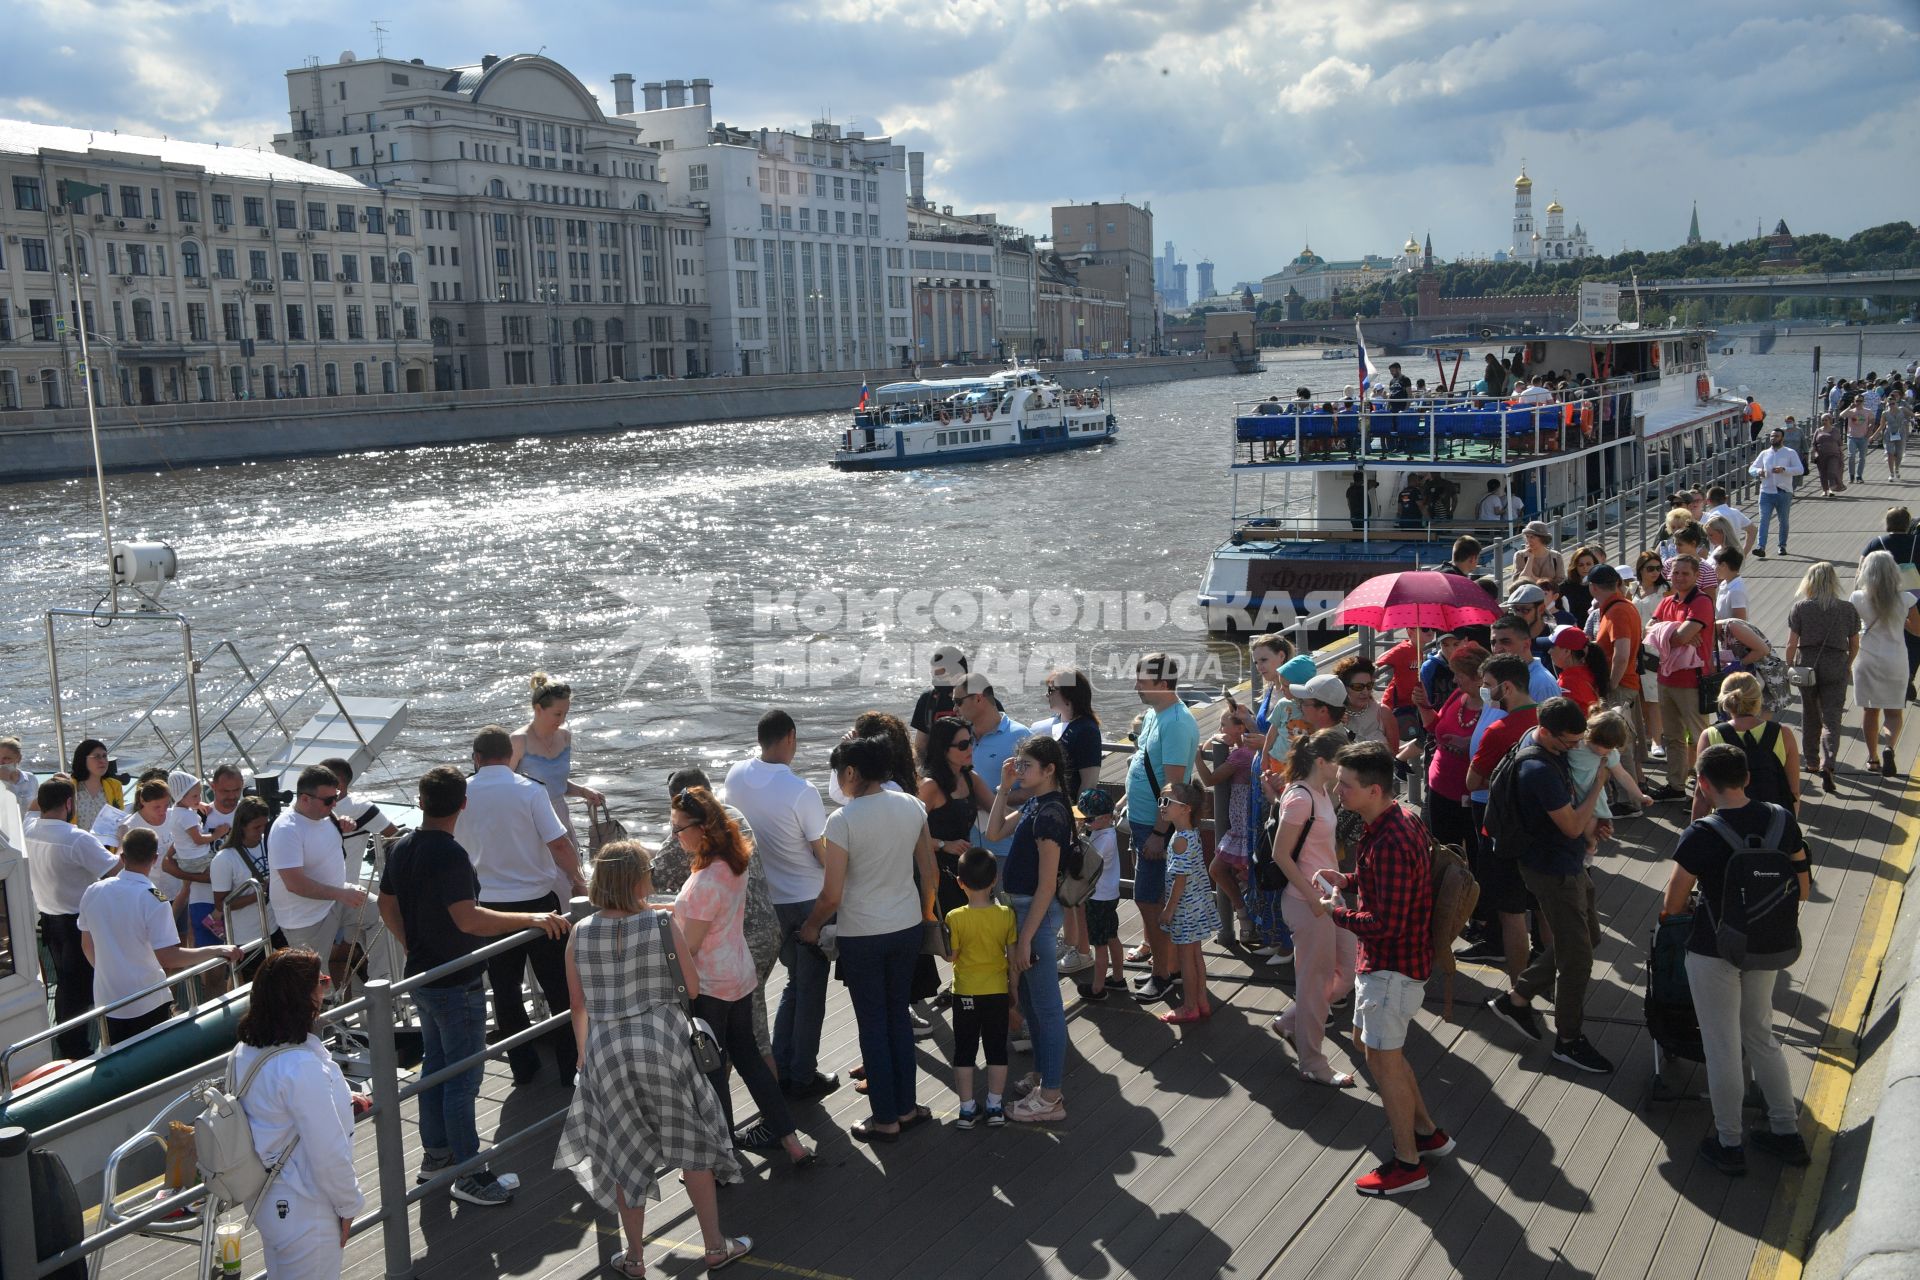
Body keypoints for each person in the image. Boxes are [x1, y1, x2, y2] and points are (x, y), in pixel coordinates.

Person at [557, 840, 752, 1277]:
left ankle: (635, 1258)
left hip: (607, 1049)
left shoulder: (580, 932)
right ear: (638, 879)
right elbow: (692, 987)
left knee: (625, 1153)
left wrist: (582, 1056)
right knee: (692, 1146)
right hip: (661, 1042)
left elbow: (577, 1003)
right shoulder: (663, 924)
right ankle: (715, 1246)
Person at [379, 766, 572, 1205]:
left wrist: (410, 943)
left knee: (436, 1070)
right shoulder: (451, 854)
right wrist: (533, 918)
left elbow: (385, 902)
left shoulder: (403, 846)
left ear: (421, 800)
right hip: (456, 980)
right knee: (462, 1080)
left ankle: (437, 1157)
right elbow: (469, 918)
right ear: (462, 805)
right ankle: (470, 1173)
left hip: (423, 976)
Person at [1664, 745, 1813, 1177]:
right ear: (1746, 779)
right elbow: (1802, 890)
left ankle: (1730, 1143)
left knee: (1723, 1046)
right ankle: (1786, 1132)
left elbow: (1674, 902)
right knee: (1760, 1035)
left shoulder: (1701, 833)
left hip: (1714, 950)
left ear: (1704, 785)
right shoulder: (1782, 821)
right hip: (1767, 946)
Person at [798, 735, 938, 1143]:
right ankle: (908, 1107)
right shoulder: (912, 806)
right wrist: (925, 915)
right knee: (898, 1017)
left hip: (863, 935)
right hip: (907, 928)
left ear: (852, 773)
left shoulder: (841, 821)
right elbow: (929, 874)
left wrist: (810, 926)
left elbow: (832, 895)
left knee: (873, 1024)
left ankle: (885, 1118)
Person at [1324, 742, 1447, 1196]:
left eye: (1346, 785)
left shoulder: (1390, 838)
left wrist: (1333, 913)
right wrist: (1349, 882)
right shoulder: (1396, 819)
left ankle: (1408, 1163)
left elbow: (1385, 924)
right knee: (1375, 1050)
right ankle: (1428, 1133)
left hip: (1391, 969)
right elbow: (1385, 880)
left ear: (1374, 790)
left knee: (1384, 1061)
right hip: (1386, 965)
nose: (1338, 791)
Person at [669, 786, 815, 1167]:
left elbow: (692, 944)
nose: (676, 836)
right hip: (739, 976)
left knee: (712, 1068)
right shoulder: (732, 863)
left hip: (711, 986)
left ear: (701, 829)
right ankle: (791, 1140)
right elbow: (705, 913)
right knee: (750, 1057)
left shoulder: (704, 881)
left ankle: (723, 1153)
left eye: (679, 828)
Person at [1485, 697, 1612, 1073]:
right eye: (1568, 744)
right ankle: (1568, 1040)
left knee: (1588, 938)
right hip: (1552, 870)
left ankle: (1518, 997)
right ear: (1546, 731)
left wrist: (1591, 821)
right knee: (1577, 958)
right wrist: (1598, 788)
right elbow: (1571, 825)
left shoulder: (1534, 738)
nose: (1574, 750)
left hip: (1567, 863)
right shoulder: (1538, 769)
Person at [456, 726, 584, 1084]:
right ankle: (569, 1066)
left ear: (477, 758)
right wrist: (577, 879)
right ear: (507, 756)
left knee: (505, 989)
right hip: (541, 904)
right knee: (558, 987)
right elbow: (558, 844)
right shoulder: (530, 790)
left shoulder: (461, 792)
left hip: (490, 907)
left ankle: (523, 1065)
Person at [231, 949, 367, 1280]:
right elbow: (328, 1153)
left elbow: (271, 1109)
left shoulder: (244, 1052)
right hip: (307, 1209)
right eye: (321, 982)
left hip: (267, 1202)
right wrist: (349, 1205)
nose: (325, 989)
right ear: (304, 998)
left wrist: (338, 1095)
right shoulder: (302, 1066)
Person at [724, 709, 838, 1100]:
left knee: (794, 982)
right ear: (790, 737)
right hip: (808, 901)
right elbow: (820, 851)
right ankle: (802, 1074)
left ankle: (784, 1064)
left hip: (764, 901)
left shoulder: (735, 777)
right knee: (812, 991)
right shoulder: (801, 791)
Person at [982, 735, 1075, 1120]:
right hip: (1021, 909)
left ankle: (1051, 1096)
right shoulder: (1038, 802)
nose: (1019, 770)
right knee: (1033, 1004)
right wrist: (1004, 788)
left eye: (1025, 765)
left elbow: (1047, 884)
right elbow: (992, 833)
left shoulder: (1051, 815)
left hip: (1033, 914)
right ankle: (1041, 1075)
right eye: (1017, 764)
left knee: (1048, 1007)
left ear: (1048, 769)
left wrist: (1024, 940)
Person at [78, 828, 241, 1044]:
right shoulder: (154, 898)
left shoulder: (93, 891)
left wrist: (111, 972)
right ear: (155, 859)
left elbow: (87, 945)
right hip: (148, 1001)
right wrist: (218, 950)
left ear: (123, 857)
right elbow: (169, 957)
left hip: (107, 999)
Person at [1268, 729, 1359, 1086]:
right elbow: (1280, 854)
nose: (1344, 768)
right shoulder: (1302, 798)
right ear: (1321, 762)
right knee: (1314, 981)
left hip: (1325, 897)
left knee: (1348, 970)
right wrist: (1313, 899)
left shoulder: (1321, 790)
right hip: (1307, 902)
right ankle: (1313, 1062)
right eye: (1341, 761)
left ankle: (1291, 1021)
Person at [25, 778, 119, 1059]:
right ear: (69, 803)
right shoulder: (76, 837)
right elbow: (113, 870)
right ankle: (76, 1047)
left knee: (67, 984)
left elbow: (31, 808)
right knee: (80, 985)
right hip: (78, 923)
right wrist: (125, 837)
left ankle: (68, 1041)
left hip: (49, 918)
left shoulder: (28, 828)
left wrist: (56, 785)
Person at [1124, 654, 1199, 1000]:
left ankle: (1163, 973)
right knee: (1150, 898)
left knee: (1149, 899)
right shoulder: (1157, 715)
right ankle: (1171, 967)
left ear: (1162, 683)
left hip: (1157, 829)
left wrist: (1157, 832)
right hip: (1142, 821)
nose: (1136, 685)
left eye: (1142, 678)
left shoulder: (1177, 723)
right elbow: (1146, 762)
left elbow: (1173, 786)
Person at [1464, 654, 1540, 975]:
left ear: (1506, 687)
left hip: (1503, 829)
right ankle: (1545, 974)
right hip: (1543, 828)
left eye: (1488, 686)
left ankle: (1517, 989)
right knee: (1541, 908)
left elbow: (1472, 782)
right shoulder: (1546, 720)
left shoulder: (1497, 729)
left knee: (1512, 916)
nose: (1485, 691)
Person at [267, 765, 366, 989]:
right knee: (315, 983)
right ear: (304, 799)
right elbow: (294, 884)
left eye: (336, 798)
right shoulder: (286, 829)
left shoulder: (326, 814)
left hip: (336, 899)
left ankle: (383, 985)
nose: (334, 804)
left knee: (385, 913)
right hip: (304, 919)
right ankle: (327, 1023)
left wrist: (344, 822)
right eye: (328, 800)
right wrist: (341, 894)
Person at [945, 847, 1018, 1128]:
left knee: (964, 1049)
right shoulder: (1006, 915)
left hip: (964, 991)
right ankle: (995, 1105)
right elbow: (1012, 959)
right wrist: (1015, 991)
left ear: (960, 882)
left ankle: (965, 1109)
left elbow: (951, 956)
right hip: (997, 991)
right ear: (995, 880)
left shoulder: (955, 917)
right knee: (996, 1048)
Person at [1786, 561, 1861, 796]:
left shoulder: (1800, 607)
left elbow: (1791, 643)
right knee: (1832, 718)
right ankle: (1829, 763)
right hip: (1836, 664)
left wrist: (1790, 666)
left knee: (1810, 714)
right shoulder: (1847, 608)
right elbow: (1854, 644)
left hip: (1807, 663)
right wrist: (1847, 665)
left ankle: (1811, 762)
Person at [509, 673, 606, 843]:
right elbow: (504, 787)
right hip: (530, 821)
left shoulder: (565, 737)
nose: (562, 720)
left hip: (561, 817)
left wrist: (583, 791)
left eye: (566, 714)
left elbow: (557, 784)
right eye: (557, 714)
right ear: (538, 709)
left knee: (571, 868)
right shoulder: (518, 740)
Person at [1193, 703, 1259, 942]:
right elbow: (1216, 744)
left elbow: (1210, 779)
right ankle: (1248, 919)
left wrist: (1197, 757)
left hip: (1243, 826)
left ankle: (1244, 918)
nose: (1220, 728)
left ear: (1240, 727)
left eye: (1224, 724)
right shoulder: (1247, 749)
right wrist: (1215, 738)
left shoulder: (1241, 755)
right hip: (1245, 824)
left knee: (1218, 869)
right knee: (1241, 875)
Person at [1694, 673, 1800, 818]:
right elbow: (1793, 792)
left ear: (1724, 701)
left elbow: (1701, 793)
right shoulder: (1783, 733)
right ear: (1759, 700)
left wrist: (1696, 832)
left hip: (1727, 824)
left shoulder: (1710, 735)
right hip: (1771, 821)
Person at [1155, 781, 1218, 1025]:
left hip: (1184, 908)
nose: (1162, 806)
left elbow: (1180, 881)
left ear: (1185, 808)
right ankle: (1201, 1001)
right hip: (1197, 904)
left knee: (1185, 959)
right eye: (1161, 800)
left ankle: (1190, 1006)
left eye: (1167, 801)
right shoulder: (1191, 835)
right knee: (1196, 956)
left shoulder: (1179, 841)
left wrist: (1168, 911)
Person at [1652, 555, 1715, 798]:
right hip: (1666, 677)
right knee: (1673, 736)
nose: (1678, 577)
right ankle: (1676, 785)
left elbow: (1678, 636)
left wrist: (1665, 632)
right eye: (1675, 573)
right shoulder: (1667, 601)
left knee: (1700, 737)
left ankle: (1705, 791)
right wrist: (1672, 631)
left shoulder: (1701, 602)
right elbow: (1651, 629)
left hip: (1692, 680)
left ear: (1697, 576)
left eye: (1685, 573)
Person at [954, 674, 1031, 862]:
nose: (955, 708)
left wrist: (986, 801)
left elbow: (1033, 791)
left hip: (1007, 847)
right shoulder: (959, 737)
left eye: (958, 701)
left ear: (978, 698)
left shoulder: (1020, 736)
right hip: (965, 847)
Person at [1851, 550, 1915, 778]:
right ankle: (1889, 747)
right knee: (1894, 712)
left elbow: (1849, 629)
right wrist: (1900, 623)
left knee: (1870, 711)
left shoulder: (1857, 597)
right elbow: (1917, 629)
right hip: (1896, 659)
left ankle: (1873, 758)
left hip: (1867, 659)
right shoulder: (1905, 598)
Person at [1589, 565, 1647, 780]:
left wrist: (1611, 685)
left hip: (1621, 686)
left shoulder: (1618, 610)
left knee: (1618, 746)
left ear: (1593, 588)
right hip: (1627, 682)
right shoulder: (1622, 606)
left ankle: (1629, 801)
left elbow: (1621, 654)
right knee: (1626, 742)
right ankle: (1636, 788)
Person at [1072, 788, 1126, 1001]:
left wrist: (1076, 837)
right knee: (1112, 936)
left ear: (1104, 818)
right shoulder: (1103, 832)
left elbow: (1085, 863)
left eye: (1088, 819)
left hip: (1098, 898)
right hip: (1108, 895)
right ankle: (1119, 978)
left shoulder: (1104, 840)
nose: (1083, 822)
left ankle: (1097, 988)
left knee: (1100, 943)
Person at [208, 797, 275, 959]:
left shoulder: (270, 842)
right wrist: (260, 895)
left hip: (275, 929)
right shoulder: (224, 859)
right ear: (242, 827)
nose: (262, 830)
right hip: (247, 938)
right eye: (256, 827)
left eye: (265, 825)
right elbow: (222, 904)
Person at [1748, 427, 1803, 556]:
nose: (1773, 438)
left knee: (1783, 520)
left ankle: (1782, 546)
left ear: (1782, 438)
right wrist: (1758, 472)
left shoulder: (1790, 452)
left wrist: (1784, 469)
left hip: (1783, 492)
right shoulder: (1764, 453)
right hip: (1766, 492)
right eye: (1772, 436)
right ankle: (1761, 547)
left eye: (1776, 436)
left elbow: (1799, 469)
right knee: (1763, 520)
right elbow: (1751, 468)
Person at [909, 646, 972, 756]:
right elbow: (920, 747)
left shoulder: (981, 701)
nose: (934, 681)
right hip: (937, 770)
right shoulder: (927, 701)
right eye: (932, 675)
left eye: (939, 676)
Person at [66, 738, 123, 833]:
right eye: (97, 756)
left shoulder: (114, 786)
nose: (102, 761)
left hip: (105, 846)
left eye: (104, 756)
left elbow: (119, 820)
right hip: (76, 844)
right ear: (83, 759)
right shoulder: (68, 787)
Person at [1549, 625, 1608, 713]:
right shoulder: (1589, 671)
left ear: (1567, 651)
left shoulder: (1568, 683)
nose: (1549, 651)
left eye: (1552, 647)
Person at [1511, 521, 1565, 589]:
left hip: (1550, 597)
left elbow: (1560, 583)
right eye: (1527, 537)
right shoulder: (1520, 556)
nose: (1529, 540)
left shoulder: (1556, 556)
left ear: (1542, 539)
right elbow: (1520, 581)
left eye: (1532, 537)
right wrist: (1530, 558)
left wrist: (1533, 577)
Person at [0, 737, 36, 814]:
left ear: (18, 758)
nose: (1, 762)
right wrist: (4, 782)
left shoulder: (31, 778)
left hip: (28, 825)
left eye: (6, 758)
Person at [1844, 393, 1875, 484]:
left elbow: (1872, 421)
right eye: (1857, 400)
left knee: (1862, 458)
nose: (1858, 402)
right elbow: (1841, 415)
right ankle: (1851, 475)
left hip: (1863, 437)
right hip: (1852, 437)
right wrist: (1849, 407)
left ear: (1863, 402)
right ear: (1854, 401)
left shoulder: (1867, 411)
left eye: (1860, 401)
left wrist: (1870, 430)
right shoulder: (1851, 411)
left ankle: (1859, 476)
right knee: (1851, 456)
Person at [1812, 414, 1846, 496]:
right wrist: (1814, 453)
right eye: (1822, 420)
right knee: (1822, 473)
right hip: (1821, 455)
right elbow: (1814, 444)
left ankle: (1832, 488)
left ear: (1830, 420)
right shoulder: (1818, 431)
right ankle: (1825, 490)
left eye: (1826, 420)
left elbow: (1840, 443)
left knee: (1832, 471)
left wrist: (1842, 453)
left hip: (1834, 454)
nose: (1824, 422)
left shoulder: (1835, 431)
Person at [1713, 546, 1749, 622]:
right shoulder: (1724, 583)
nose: (1714, 568)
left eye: (1716, 564)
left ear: (1723, 565)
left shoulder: (1736, 590)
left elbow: (1740, 621)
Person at [1883, 386, 1910, 480]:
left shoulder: (1902, 409)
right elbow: (1881, 426)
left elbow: (1913, 415)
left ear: (1896, 402)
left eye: (1893, 403)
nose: (1891, 405)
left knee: (1899, 454)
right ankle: (1891, 474)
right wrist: (1873, 436)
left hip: (1900, 433)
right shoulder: (1885, 413)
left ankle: (1897, 468)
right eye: (1889, 404)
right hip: (1889, 434)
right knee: (1890, 453)